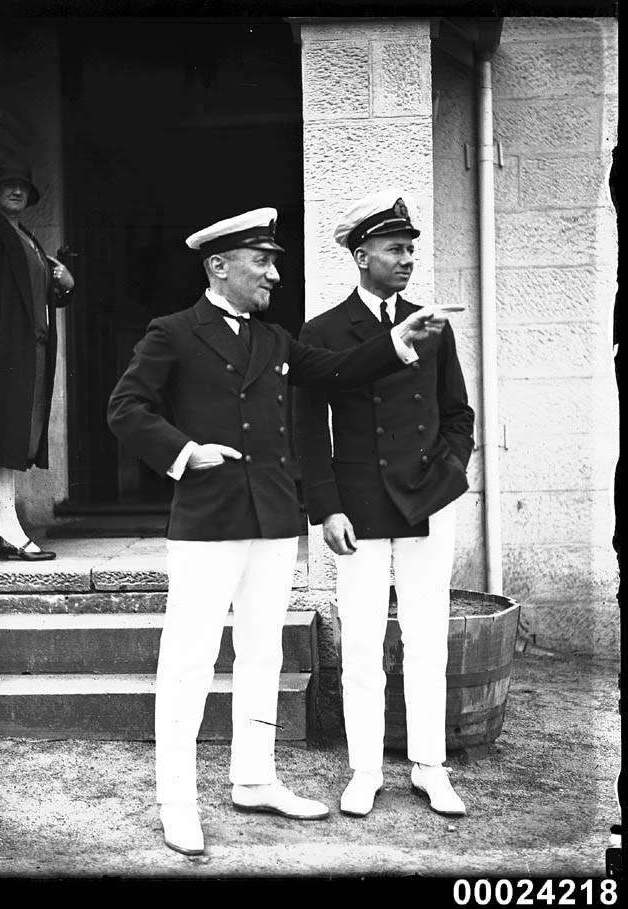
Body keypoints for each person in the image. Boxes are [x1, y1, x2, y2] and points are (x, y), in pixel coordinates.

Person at [106, 206, 452, 855]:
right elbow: (125, 408)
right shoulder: (174, 332)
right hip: (207, 522)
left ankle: (254, 776)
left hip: (271, 522)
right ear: (219, 266)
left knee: (263, 653)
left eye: (274, 261)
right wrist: (184, 452)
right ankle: (177, 800)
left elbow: (337, 370)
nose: (273, 273)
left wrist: (396, 341)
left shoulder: (274, 341)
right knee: (189, 660)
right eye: (261, 262)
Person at [294, 188, 475, 819]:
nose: (405, 260)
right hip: (359, 504)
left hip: (428, 499)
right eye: (394, 249)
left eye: (410, 250)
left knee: (427, 636)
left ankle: (430, 766)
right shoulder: (321, 333)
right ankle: (364, 769)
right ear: (360, 254)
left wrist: (450, 471)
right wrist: (326, 508)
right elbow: (309, 429)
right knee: (363, 640)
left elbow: (457, 413)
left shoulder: (431, 324)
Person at [0, 152, 75, 561]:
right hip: (3, 351)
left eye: (23, 186)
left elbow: (37, 295)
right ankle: (12, 531)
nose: (16, 190)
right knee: (4, 435)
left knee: (15, 435)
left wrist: (65, 283)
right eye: (7, 185)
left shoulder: (25, 235)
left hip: (30, 351)